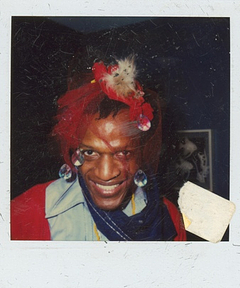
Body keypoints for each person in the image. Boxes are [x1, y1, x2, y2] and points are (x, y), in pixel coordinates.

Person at [11, 56, 186, 241]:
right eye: (90, 152)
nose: (105, 174)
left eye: (123, 153)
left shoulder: (169, 219)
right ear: (75, 149)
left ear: (142, 152)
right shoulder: (25, 213)